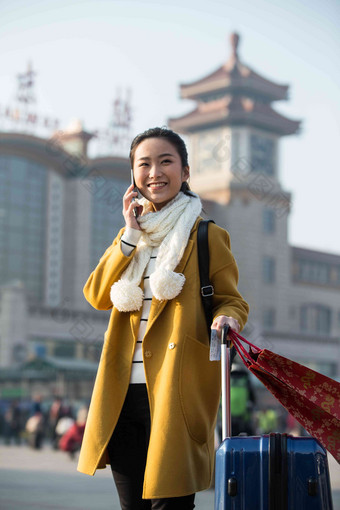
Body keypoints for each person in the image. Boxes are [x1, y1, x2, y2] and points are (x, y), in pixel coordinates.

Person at [77, 127, 249, 510]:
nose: (155, 171)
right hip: (121, 393)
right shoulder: (130, 239)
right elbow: (96, 295)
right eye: (144, 164)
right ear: (134, 176)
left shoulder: (206, 235)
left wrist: (227, 320)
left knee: (170, 506)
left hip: (175, 391)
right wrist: (129, 234)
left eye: (165, 161)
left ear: (185, 172)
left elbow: (231, 300)